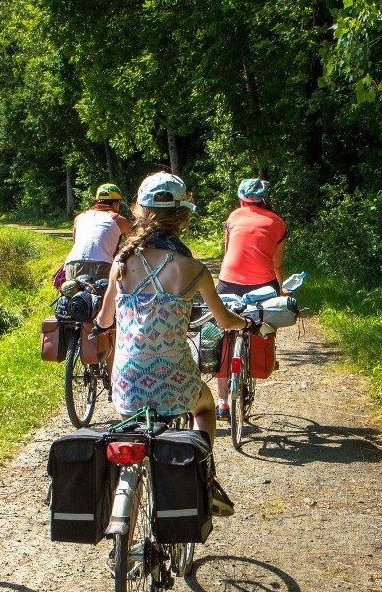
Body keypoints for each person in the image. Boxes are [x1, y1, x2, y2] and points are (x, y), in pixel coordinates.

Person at [95, 172, 250, 514]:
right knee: (206, 407)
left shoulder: (121, 262)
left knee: (134, 431)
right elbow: (225, 321)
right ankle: (202, 476)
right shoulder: (193, 269)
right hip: (174, 379)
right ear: (184, 215)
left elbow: (105, 320)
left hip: (128, 382)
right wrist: (246, 323)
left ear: (138, 211)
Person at [214, 177, 288, 418]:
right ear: (265, 198)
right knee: (263, 322)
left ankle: (222, 402)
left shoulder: (233, 217)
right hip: (263, 284)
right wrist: (281, 288)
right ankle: (261, 361)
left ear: (241, 198)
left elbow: (226, 254)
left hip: (228, 281)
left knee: (224, 335)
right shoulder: (277, 223)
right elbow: (276, 263)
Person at [61, 183, 132, 287]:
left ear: (97, 201)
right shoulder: (119, 220)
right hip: (102, 264)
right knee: (103, 301)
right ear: (116, 203)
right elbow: (133, 245)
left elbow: (75, 242)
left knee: (75, 301)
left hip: (72, 263)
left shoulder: (80, 217)